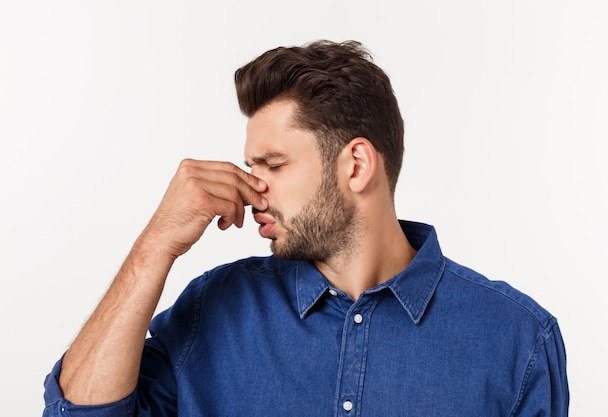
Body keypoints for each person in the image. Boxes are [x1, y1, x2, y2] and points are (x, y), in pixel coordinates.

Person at [43, 40, 569, 416]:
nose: (252, 190)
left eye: (272, 165)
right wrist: (155, 245)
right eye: (251, 169)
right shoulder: (214, 309)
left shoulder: (517, 339)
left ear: (356, 166)